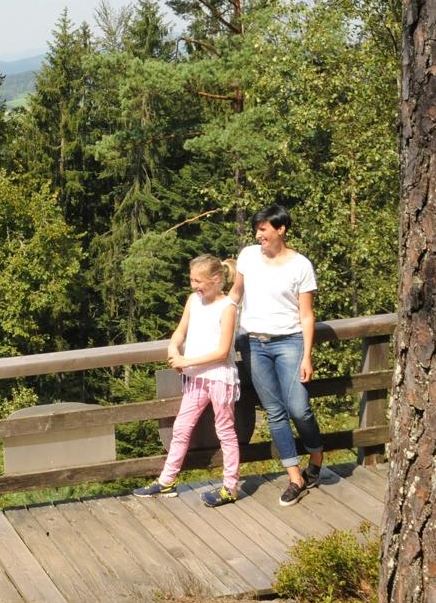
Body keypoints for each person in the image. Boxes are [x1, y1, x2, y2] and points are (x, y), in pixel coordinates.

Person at [231, 204, 325, 507]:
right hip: (254, 343)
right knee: (274, 411)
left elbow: (307, 315)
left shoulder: (300, 266)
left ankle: (317, 456)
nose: (259, 234)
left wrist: (307, 356)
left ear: (280, 229)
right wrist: (211, 319)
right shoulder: (247, 257)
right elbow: (236, 294)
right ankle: (295, 477)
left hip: (290, 342)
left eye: (264, 229)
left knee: (299, 408)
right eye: (257, 229)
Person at [134, 255, 242, 507]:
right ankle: (167, 480)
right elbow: (181, 331)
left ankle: (230, 486)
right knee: (181, 428)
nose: (194, 285)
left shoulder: (227, 308)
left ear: (216, 280)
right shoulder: (193, 300)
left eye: (198, 281)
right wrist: (174, 347)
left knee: (225, 431)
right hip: (195, 379)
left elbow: (223, 351)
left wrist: (186, 362)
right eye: (192, 279)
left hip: (218, 379)